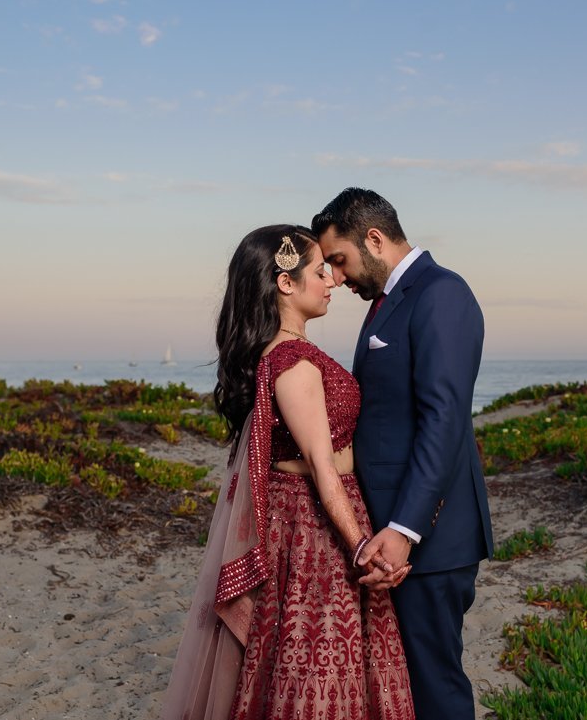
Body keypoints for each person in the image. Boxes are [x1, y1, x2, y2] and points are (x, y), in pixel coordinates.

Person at [159, 225, 415, 720]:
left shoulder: (288, 356)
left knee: (311, 658)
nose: (332, 282)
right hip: (313, 527)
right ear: (285, 284)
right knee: (318, 662)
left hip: (312, 514)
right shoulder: (292, 362)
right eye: (320, 272)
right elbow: (322, 465)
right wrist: (361, 545)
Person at [311, 189, 494, 719]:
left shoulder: (441, 293)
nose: (338, 277)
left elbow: (444, 417)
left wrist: (406, 528)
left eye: (339, 260)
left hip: (430, 539)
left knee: (433, 686)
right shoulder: (388, 303)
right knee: (407, 687)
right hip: (395, 531)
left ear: (374, 238)